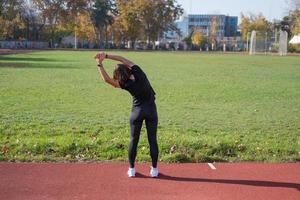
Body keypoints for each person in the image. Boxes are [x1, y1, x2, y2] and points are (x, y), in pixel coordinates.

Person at [94, 52, 159, 178]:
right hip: (151, 110)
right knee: (152, 140)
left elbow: (107, 80)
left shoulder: (125, 84)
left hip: (136, 113)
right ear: (128, 69)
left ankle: (131, 170)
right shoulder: (138, 71)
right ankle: (154, 170)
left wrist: (99, 63)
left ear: (119, 76)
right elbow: (122, 59)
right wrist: (106, 56)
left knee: (133, 140)